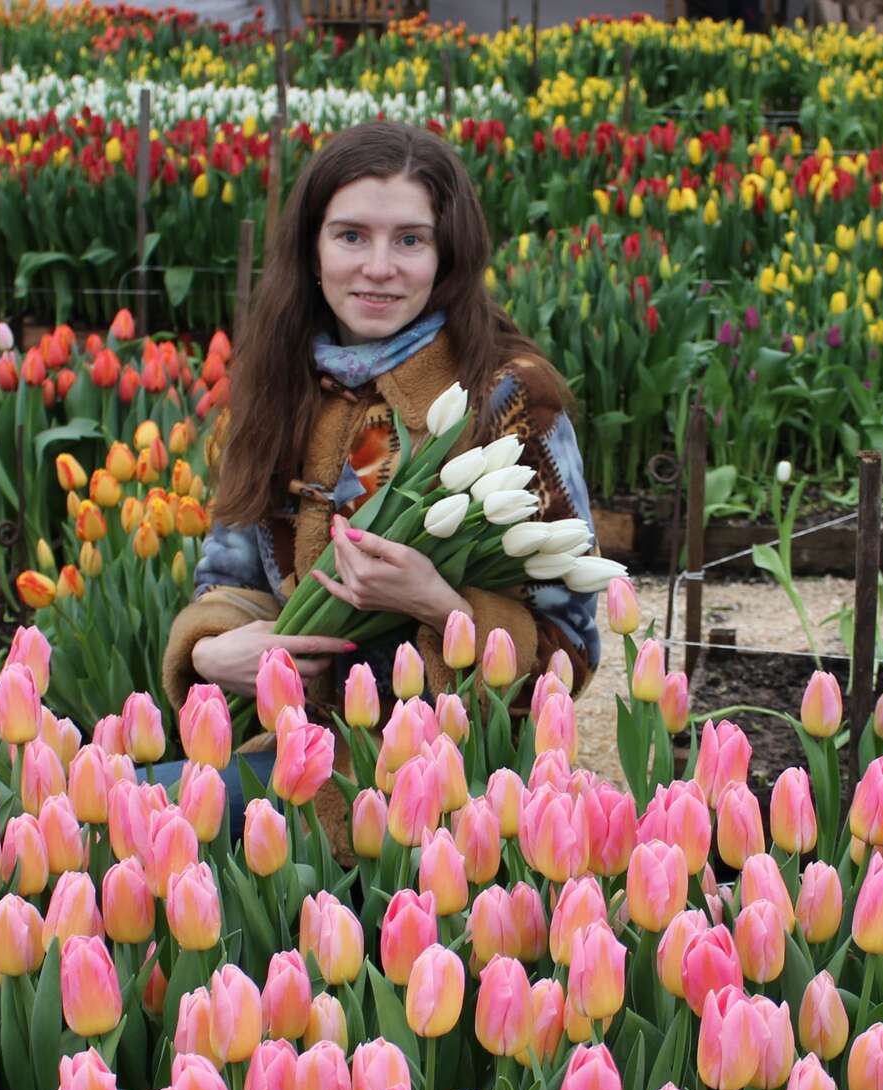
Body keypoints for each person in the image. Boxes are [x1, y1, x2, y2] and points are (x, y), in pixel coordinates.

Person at [155, 121, 603, 816]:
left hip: (457, 782)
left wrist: (438, 603)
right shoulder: (276, 385)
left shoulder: (508, 399)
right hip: (297, 756)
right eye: (352, 235)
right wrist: (212, 654)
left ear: (446, 254)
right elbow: (229, 576)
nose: (379, 266)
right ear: (312, 248)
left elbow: (570, 652)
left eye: (410, 240)